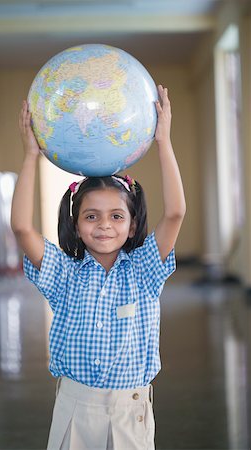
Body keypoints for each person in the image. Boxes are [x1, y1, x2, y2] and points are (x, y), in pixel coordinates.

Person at [11, 85, 186, 450]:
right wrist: (31, 155)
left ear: (133, 225)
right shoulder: (63, 275)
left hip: (130, 413)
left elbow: (175, 213)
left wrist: (163, 142)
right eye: (92, 216)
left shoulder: (144, 271)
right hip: (75, 407)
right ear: (76, 224)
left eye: (117, 216)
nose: (104, 225)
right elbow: (22, 228)